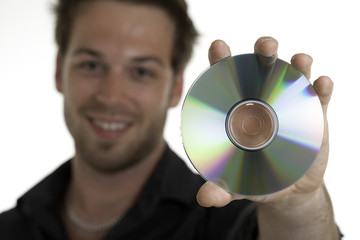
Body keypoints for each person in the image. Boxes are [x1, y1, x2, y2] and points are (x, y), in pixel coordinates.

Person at [0, 0, 341, 239]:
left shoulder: (223, 221)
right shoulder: (8, 228)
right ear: (60, 72)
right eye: (91, 65)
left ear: (176, 87)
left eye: (141, 71)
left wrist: (299, 206)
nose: (111, 95)